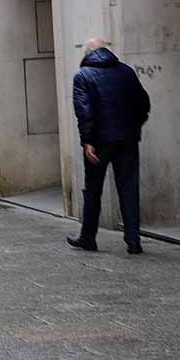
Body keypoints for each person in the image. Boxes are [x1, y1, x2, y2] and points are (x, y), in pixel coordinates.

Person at [68, 38, 151, 255]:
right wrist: (134, 127)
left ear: (86, 54)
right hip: (127, 140)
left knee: (93, 190)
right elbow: (143, 103)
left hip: (99, 142)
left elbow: (84, 111)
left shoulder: (83, 76)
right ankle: (133, 240)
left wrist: (87, 142)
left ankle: (88, 237)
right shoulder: (126, 72)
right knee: (129, 189)